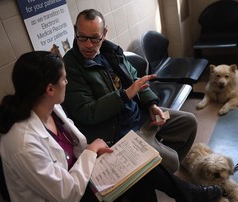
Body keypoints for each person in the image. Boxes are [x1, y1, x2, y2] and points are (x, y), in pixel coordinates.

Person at [0, 51, 223, 202]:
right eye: (64, 78)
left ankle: (187, 194)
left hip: (80, 179)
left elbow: (74, 149)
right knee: (137, 175)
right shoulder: (23, 142)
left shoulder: (51, 108)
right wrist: (91, 152)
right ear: (49, 89)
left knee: (136, 170)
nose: (67, 81)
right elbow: (67, 194)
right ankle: (188, 194)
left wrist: (93, 154)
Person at [63, 9, 197, 173]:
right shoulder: (70, 66)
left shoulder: (110, 51)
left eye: (95, 38)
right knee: (173, 162)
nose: (88, 45)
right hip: (120, 130)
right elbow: (85, 112)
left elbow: (134, 79)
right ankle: (158, 172)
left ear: (104, 34)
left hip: (141, 114)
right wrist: (125, 95)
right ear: (75, 31)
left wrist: (151, 104)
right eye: (82, 37)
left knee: (189, 122)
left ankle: (156, 171)